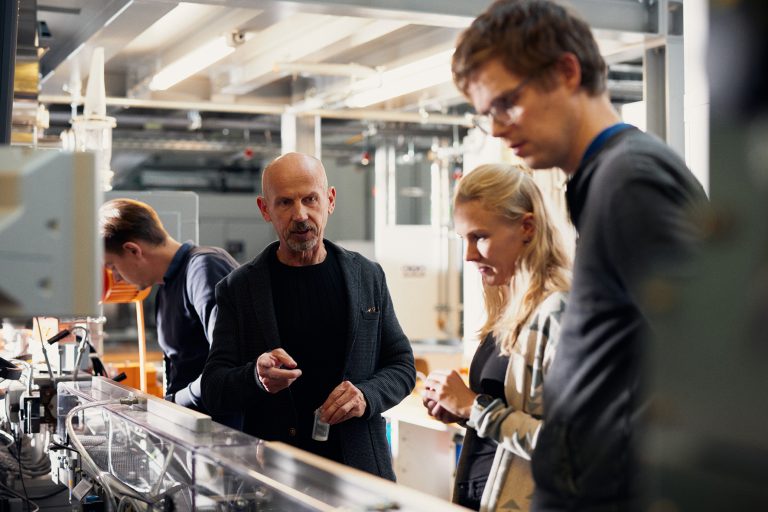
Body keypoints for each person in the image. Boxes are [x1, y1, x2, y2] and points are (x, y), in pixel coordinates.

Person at [452, 1, 708, 510]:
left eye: (507, 103)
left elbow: (706, 362)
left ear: (566, 72)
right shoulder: (603, 181)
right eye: (487, 114)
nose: (497, 129)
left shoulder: (629, 182)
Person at [200, 152, 415, 480]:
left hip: (361, 472)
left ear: (330, 200)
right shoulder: (239, 288)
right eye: (285, 202)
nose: (300, 215)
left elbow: (402, 365)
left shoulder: (367, 276)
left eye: (310, 199)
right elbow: (214, 387)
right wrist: (255, 377)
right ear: (265, 209)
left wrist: (365, 396)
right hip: (276, 475)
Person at [422, 163, 570, 511]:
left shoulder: (560, 314)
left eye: (480, 237)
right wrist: (460, 410)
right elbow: (508, 415)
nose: (469, 255)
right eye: (464, 239)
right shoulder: (508, 309)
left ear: (527, 227)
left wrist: (473, 407)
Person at [99, 198, 239, 417]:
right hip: (191, 422)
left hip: (222, 428)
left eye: (113, 266)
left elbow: (231, 364)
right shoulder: (166, 288)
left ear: (133, 250)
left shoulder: (203, 268)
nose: (115, 277)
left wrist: (171, 403)